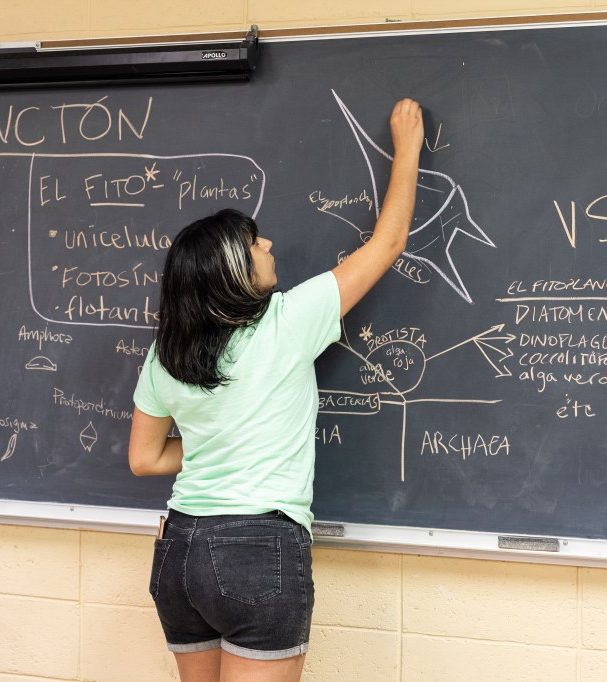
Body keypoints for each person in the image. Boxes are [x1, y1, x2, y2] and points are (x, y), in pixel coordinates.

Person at [128, 98, 423, 682]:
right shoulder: (286, 322)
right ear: (230, 271)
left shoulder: (166, 352)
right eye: (254, 243)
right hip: (257, 547)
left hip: (181, 548)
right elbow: (387, 245)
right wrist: (408, 149)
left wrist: (218, 441)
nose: (268, 247)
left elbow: (144, 458)